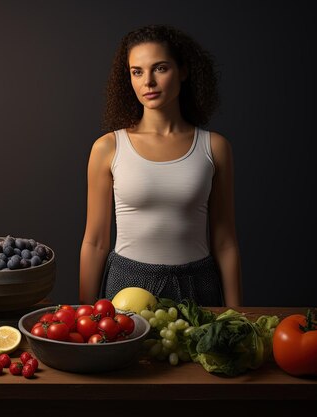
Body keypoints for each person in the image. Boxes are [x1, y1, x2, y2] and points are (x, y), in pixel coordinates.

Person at [79, 24, 242, 308]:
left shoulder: (215, 147)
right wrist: (82, 314)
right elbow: (95, 242)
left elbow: (225, 241)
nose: (148, 82)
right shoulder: (107, 148)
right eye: (137, 71)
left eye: (160, 68)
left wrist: (237, 313)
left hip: (198, 286)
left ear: (183, 71)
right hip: (124, 286)